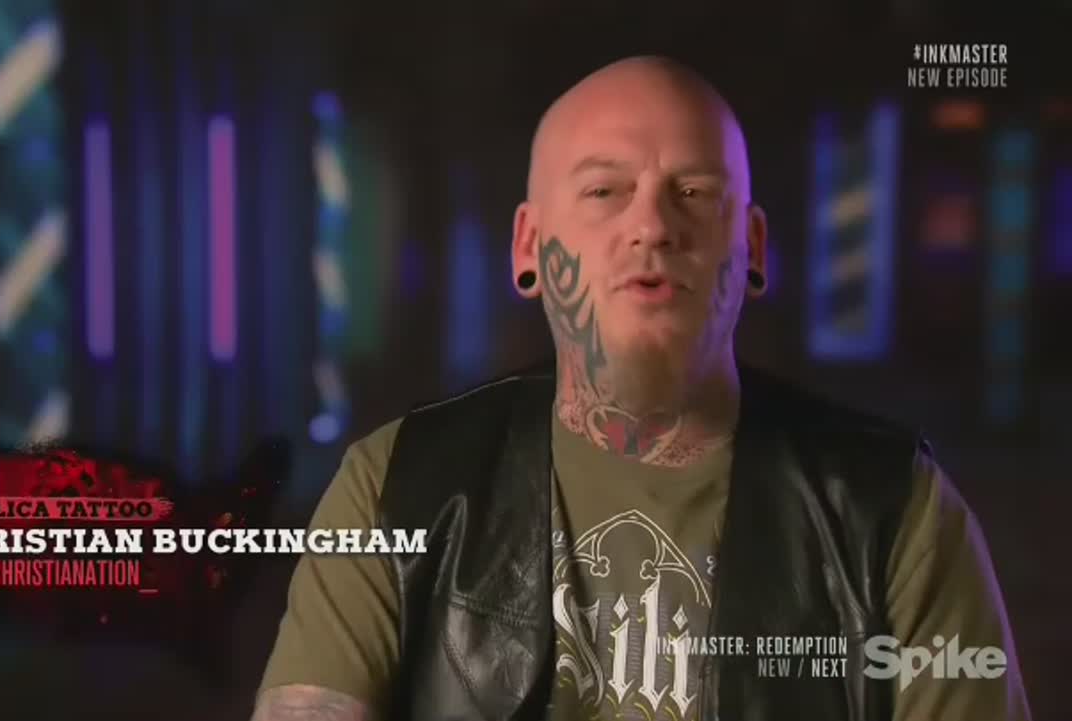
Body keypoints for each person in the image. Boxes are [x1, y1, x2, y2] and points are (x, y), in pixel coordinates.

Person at [250, 56, 1031, 721]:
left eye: (694, 191)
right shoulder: (391, 489)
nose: (652, 226)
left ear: (753, 246)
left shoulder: (896, 512)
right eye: (604, 191)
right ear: (529, 246)